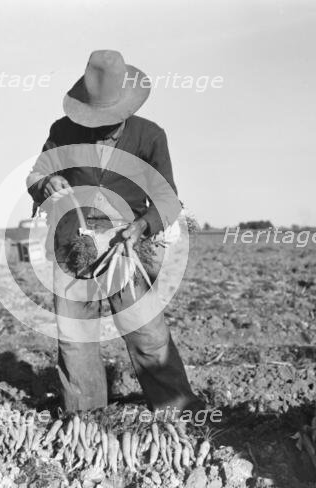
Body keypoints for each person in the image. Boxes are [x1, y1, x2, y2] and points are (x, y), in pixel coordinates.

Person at [27, 50, 203, 414]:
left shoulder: (150, 136)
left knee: (148, 335)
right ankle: (87, 419)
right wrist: (45, 184)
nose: (102, 124)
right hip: (73, 245)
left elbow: (168, 198)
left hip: (124, 248)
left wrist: (142, 225)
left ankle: (179, 411)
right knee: (76, 342)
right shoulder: (62, 132)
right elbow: (37, 174)